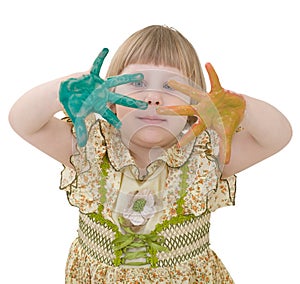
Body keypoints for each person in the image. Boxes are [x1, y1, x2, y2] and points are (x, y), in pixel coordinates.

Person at [9, 25, 292, 283]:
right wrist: (67, 88)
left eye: (171, 86)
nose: (153, 97)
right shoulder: (88, 145)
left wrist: (241, 107)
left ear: (197, 101)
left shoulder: (208, 153)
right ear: (109, 92)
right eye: (138, 82)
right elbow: (23, 121)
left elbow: (276, 137)